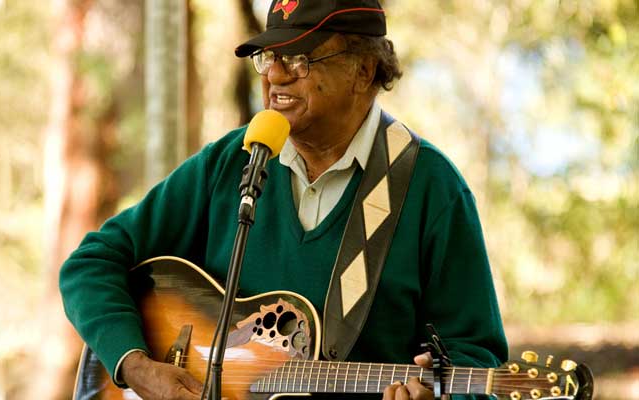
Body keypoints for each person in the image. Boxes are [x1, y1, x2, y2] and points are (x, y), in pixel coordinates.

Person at [59, 1, 508, 399]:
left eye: (299, 58)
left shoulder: (432, 187)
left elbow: (477, 361)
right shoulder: (231, 161)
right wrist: (136, 366)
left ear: (363, 70)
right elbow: (91, 263)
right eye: (270, 56)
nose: (274, 74)